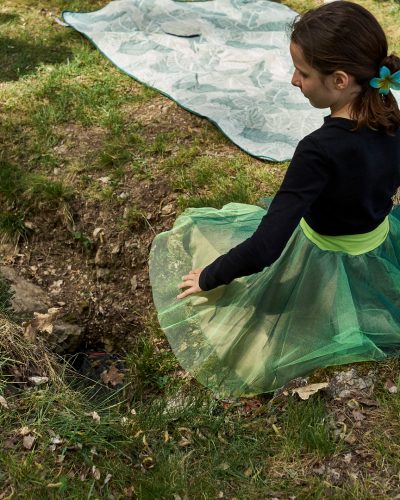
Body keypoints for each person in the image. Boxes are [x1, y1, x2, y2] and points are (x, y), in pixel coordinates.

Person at [149, 1, 400, 397]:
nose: (293, 80)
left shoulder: (318, 150)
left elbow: (266, 248)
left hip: (324, 257)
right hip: (378, 244)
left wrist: (210, 276)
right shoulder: (391, 115)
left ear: (339, 80)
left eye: (303, 72)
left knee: (263, 330)